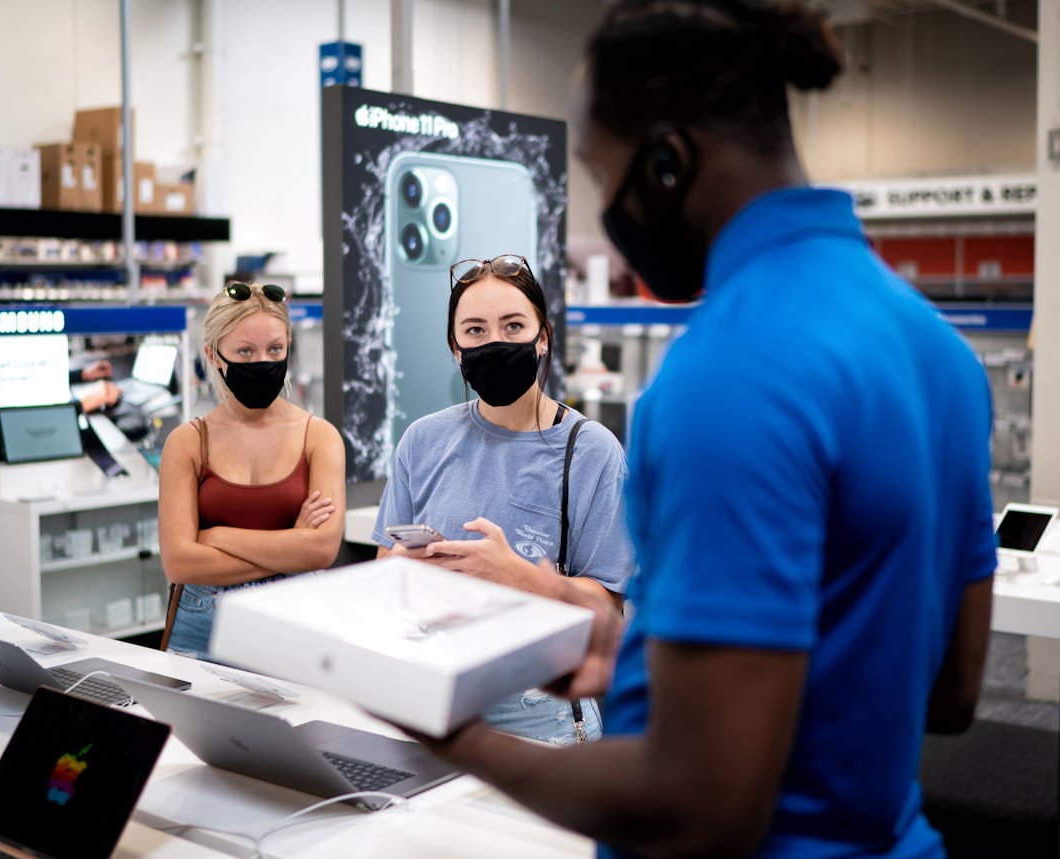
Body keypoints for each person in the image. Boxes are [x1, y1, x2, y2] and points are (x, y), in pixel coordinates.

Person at [418, 3, 996, 858]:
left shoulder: (726, 371)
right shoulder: (937, 349)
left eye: (601, 174)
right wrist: (635, 650)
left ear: (665, 160)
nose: (607, 210)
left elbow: (698, 807)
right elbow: (947, 689)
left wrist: (442, 728)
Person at [373, 254, 635, 745]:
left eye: (513, 325)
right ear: (455, 348)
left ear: (542, 337)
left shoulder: (591, 450)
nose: (494, 342)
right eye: (474, 330)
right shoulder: (422, 440)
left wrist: (513, 576)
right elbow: (384, 564)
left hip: (540, 709)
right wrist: (408, 569)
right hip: (429, 694)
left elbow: (606, 608)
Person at [159, 282, 346, 658]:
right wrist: (291, 543)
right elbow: (179, 562)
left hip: (293, 621)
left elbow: (322, 549)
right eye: (244, 351)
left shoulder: (319, 437)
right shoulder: (188, 442)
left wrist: (216, 536)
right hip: (201, 625)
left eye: (275, 349)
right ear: (213, 356)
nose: (262, 361)